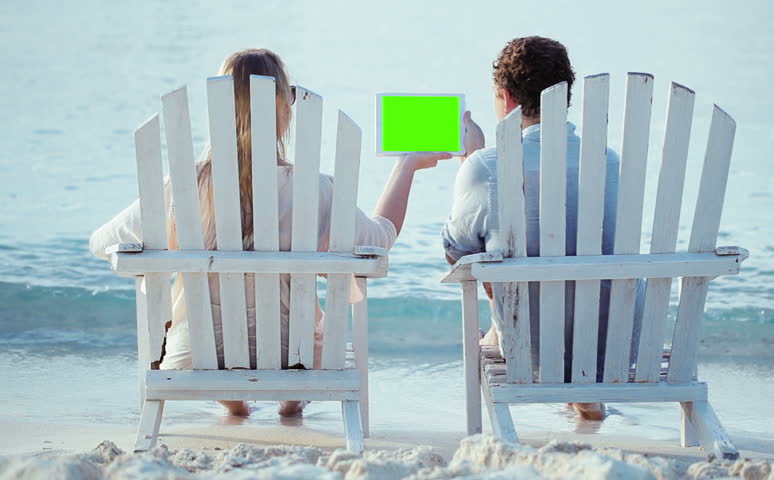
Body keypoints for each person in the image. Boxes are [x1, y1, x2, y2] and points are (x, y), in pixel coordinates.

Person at [90, 48, 451, 417]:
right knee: (308, 334)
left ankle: (234, 403)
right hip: (293, 355)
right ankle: (291, 400)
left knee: (210, 333)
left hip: (196, 354)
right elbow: (381, 240)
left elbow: (101, 243)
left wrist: (162, 248)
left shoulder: (181, 188)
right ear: (284, 108)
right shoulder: (316, 191)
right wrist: (406, 165)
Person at [442, 36, 621, 421]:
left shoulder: (485, 165)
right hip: (611, 347)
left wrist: (468, 161)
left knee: (491, 274)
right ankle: (587, 399)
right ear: (566, 96)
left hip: (528, 351)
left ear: (506, 99)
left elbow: (457, 253)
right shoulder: (609, 161)